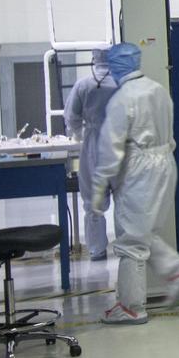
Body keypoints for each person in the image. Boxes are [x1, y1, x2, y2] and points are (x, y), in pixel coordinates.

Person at [91, 42, 179, 325]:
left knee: (131, 240)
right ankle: (176, 271)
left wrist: (97, 191)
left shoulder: (122, 99)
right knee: (144, 230)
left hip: (139, 170)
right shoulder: (158, 89)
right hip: (166, 163)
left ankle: (130, 307)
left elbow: (110, 151)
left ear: (115, 67)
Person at [63, 49, 117, 261]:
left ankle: (97, 250)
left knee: (93, 202)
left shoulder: (83, 85)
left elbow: (71, 116)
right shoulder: (122, 82)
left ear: (93, 60)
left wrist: (81, 134)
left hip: (94, 145)